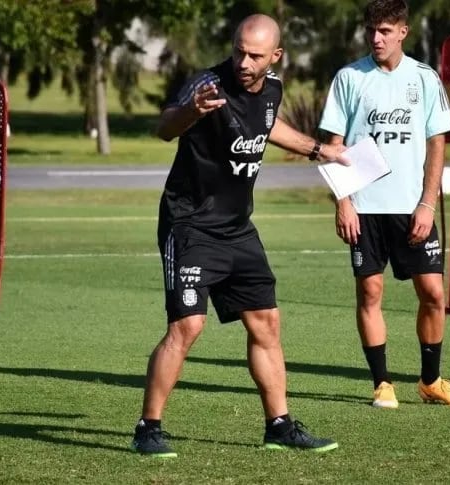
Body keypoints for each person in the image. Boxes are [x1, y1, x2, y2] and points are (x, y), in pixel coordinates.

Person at [132, 14, 348, 458]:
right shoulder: (206, 85)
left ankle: (279, 425)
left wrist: (318, 149)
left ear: (275, 57)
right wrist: (192, 112)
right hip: (189, 223)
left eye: (254, 55)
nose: (244, 61)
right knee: (187, 326)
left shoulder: (272, 89)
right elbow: (164, 127)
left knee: (266, 322)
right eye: (238, 51)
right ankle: (148, 428)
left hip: (236, 227)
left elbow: (267, 126)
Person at [318, 0, 450, 409]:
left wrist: (427, 202)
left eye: (386, 31)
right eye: (372, 31)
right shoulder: (349, 78)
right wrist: (343, 202)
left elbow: (437, 141)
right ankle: (382, 384)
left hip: (411, 209)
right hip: (364, 209)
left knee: (433, 293)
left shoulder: (424, 78)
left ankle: (431, 381)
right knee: (370, 292)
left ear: (403, 31)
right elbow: (333, 148)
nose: (377, 38)